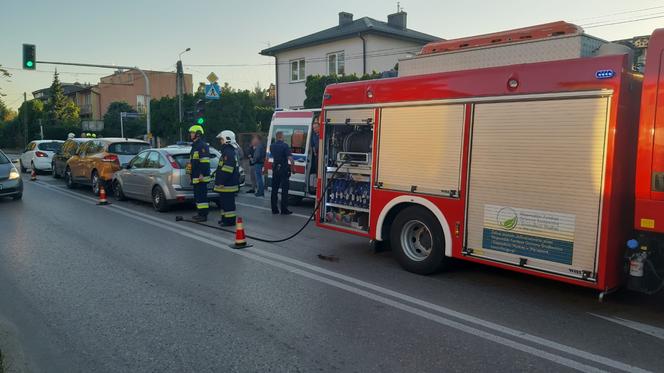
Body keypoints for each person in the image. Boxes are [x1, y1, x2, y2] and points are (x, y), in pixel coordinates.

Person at [215, 130, 241, 226]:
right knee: (224, 203)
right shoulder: (227, 151)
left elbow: (227, 169)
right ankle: (224, 219)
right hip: (226, 184)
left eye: (221, 139)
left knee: (228, 204)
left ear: (227, 140)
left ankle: (229, 221)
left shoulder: (228, 153)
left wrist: (221, 181)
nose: (220, 141)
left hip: (227, 185)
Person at [188, 125, 211, 222]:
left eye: (192, 133)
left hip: (201, 177)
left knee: (202, 197)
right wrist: (189, 174)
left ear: (197, 134)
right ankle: (200, 213)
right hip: (196, 177)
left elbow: (205, 162)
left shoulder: (202, 146)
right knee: (198, 196)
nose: (190, 134)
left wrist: (202, 174)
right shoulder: (195, 146)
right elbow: (192, 162)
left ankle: (203, 215)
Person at [270, 131, 295, 215]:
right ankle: (284, 209)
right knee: (284, 190)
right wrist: (293, 168)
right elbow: (290, 158)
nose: (284, 137)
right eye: (283, 136)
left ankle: (274, 209)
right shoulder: (285, 146)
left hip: (275, 168)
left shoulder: (272, 146)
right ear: (281, 137)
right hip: (283, 169)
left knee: (274, 189)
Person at [309, 121, 320, 193]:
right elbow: (312, 145)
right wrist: (315, 153)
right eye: (314, 128)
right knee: (316, 171)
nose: (315, 129)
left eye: (316, 127)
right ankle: (314, 187)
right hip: (316, 155)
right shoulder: (313, 135)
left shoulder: (321, 135)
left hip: (321, 154)